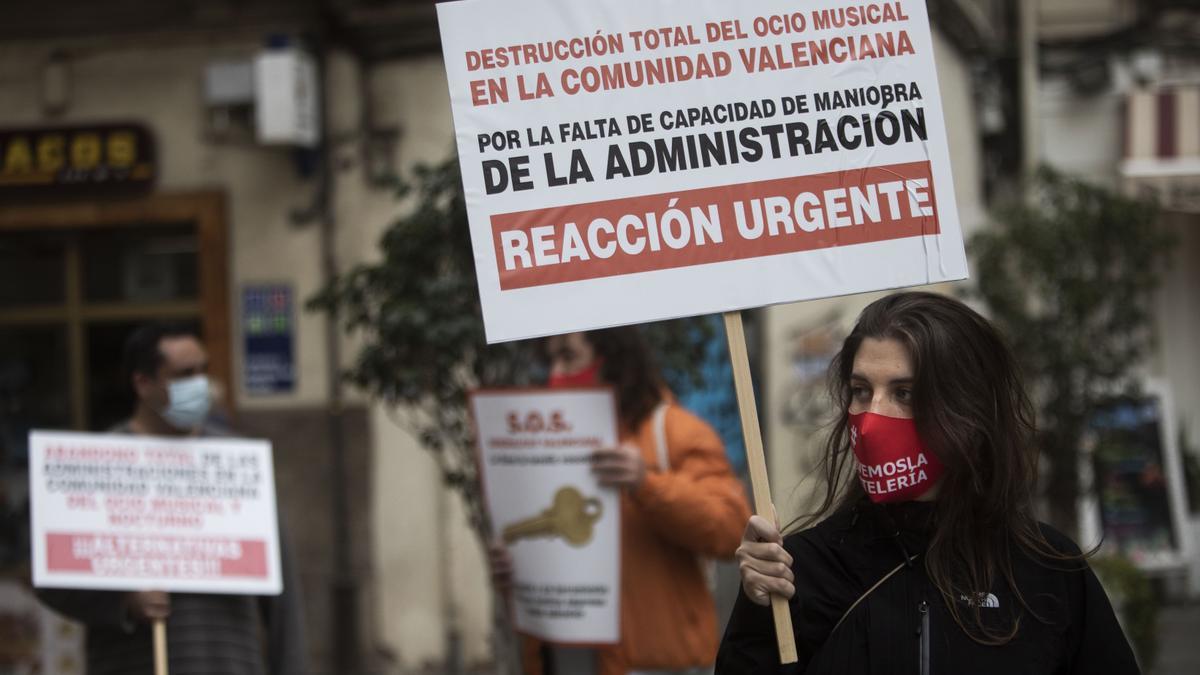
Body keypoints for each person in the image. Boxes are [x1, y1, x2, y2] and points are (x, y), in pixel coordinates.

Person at [716, 292, 1140, 675]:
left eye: (905, 393)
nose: (872, 415)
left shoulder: (1047, 571)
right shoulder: (802, 569)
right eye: (861, 390)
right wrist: (757, 612)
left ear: (969, 412)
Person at [38, 323, 307, 675]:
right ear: (143, 384)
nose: (200, 385)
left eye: (202, 371)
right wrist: (122, 604)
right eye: (184, 375)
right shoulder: (96, 464)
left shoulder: (237, 465)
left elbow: (284, 601)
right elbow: (51, 577)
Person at [491, 327, 752, 675]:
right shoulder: (545, 447)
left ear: (614, 361)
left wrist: (647, 484)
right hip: (562, 659)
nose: (556, 374)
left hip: (654, 664)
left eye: (568, 357)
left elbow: (731, 529)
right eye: (551, 360)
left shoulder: (675, 431)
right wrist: (517, 568)